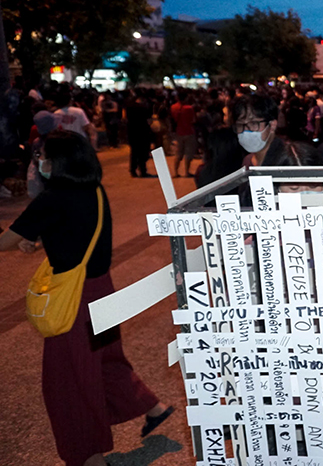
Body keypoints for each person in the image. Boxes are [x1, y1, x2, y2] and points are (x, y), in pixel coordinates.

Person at [0, 131, 173, 466]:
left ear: (59, 161)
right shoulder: (94, 189)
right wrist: (40, 239)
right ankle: (155, 408)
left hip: (74, 301)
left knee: (68, 381)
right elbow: (75, 229)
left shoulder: (53, 198)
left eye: (43, 155)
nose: (39, 161)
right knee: (106, 361)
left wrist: (22, 237)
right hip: (102, 291)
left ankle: (89, 456)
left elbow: (6, 241)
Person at [231, 94, 283, 167]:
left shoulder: (289, 160)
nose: (246, 131)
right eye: (240, 125)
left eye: (253, 123)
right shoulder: (247, 162)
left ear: (272, 125)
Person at [125, 92, 154, 178]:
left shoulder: (129, 107)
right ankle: (142, 170)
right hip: (143, 132)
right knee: (143, 152)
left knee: (134, 152)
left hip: (132, 132)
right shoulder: (144, 108)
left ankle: (133, 170)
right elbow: (149, 120)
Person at [170, 91, 197, 177]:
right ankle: (187, 172)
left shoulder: (173, 107)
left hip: (178, 132)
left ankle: (176, 172)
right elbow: (193, 120)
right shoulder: (189, 108)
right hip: (189, 132)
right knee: (188, 153)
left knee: (178, 153)